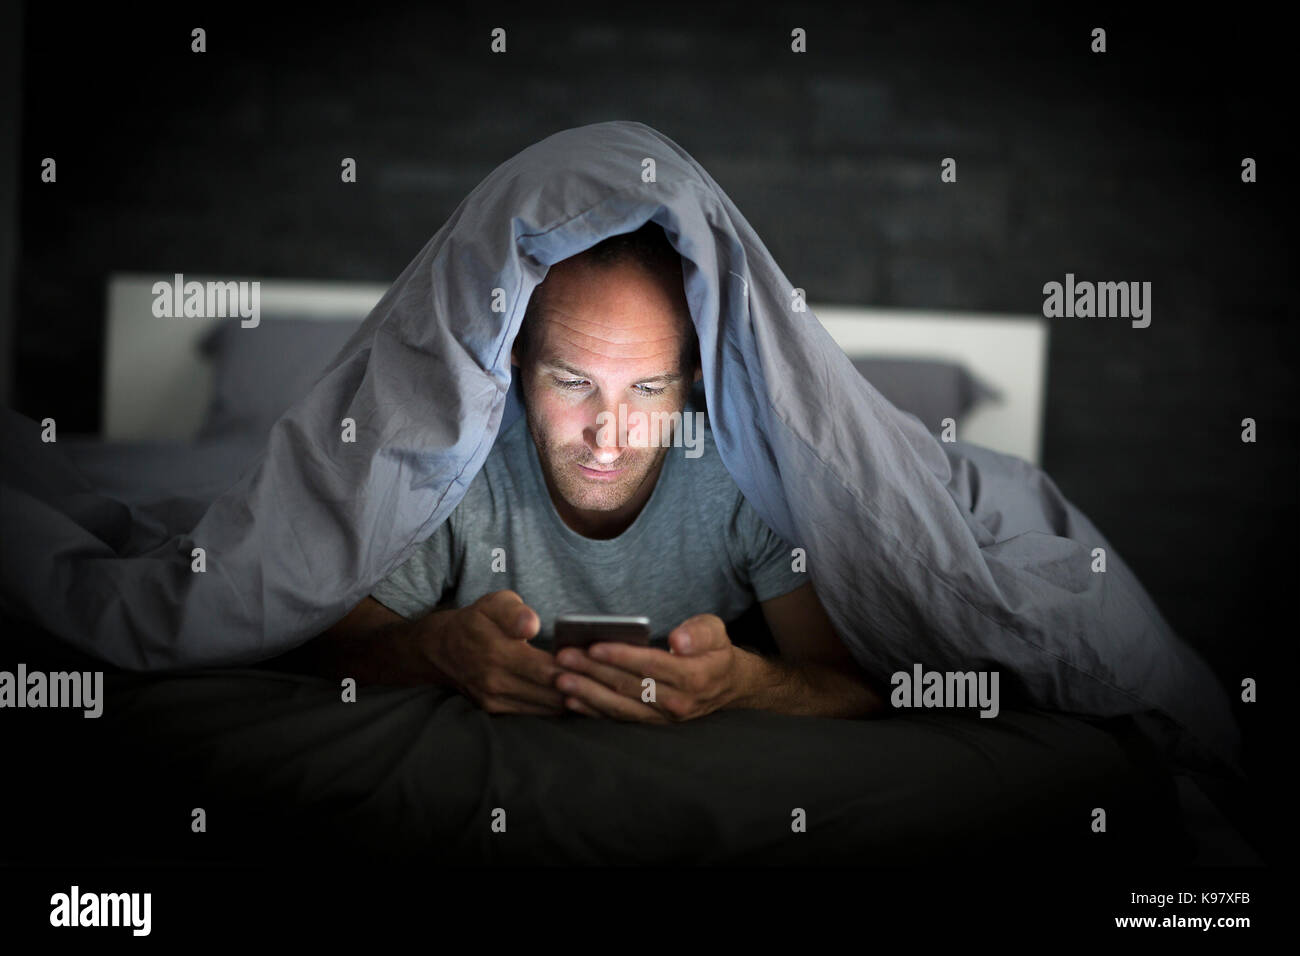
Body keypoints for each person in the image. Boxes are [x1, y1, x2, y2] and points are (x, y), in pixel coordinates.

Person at [300, 222, 885, 723]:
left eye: (649, 388)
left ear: (697, 377)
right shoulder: (455, 467)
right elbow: (320, 649)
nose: (607, 437)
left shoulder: (742, 479)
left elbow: (855, 687)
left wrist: (745, 682)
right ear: (516, 356)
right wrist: (432, 649)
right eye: (573, 381)